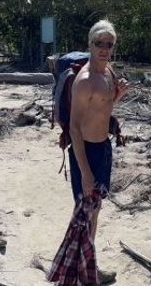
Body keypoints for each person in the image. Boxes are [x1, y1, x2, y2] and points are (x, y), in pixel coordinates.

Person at [67, 19, 129, 283]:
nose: (104, 48)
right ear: (89, 45)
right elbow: (74, 129)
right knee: (85, 214)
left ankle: (87, 268)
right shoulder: (84, 81)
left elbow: (102, 110)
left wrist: (117, 97)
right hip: (87, 152)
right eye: (98, 43)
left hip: (103, 148)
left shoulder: (108, 72)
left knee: (95, 211)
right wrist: (85, 171)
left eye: (109, 44)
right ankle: (85, 271)